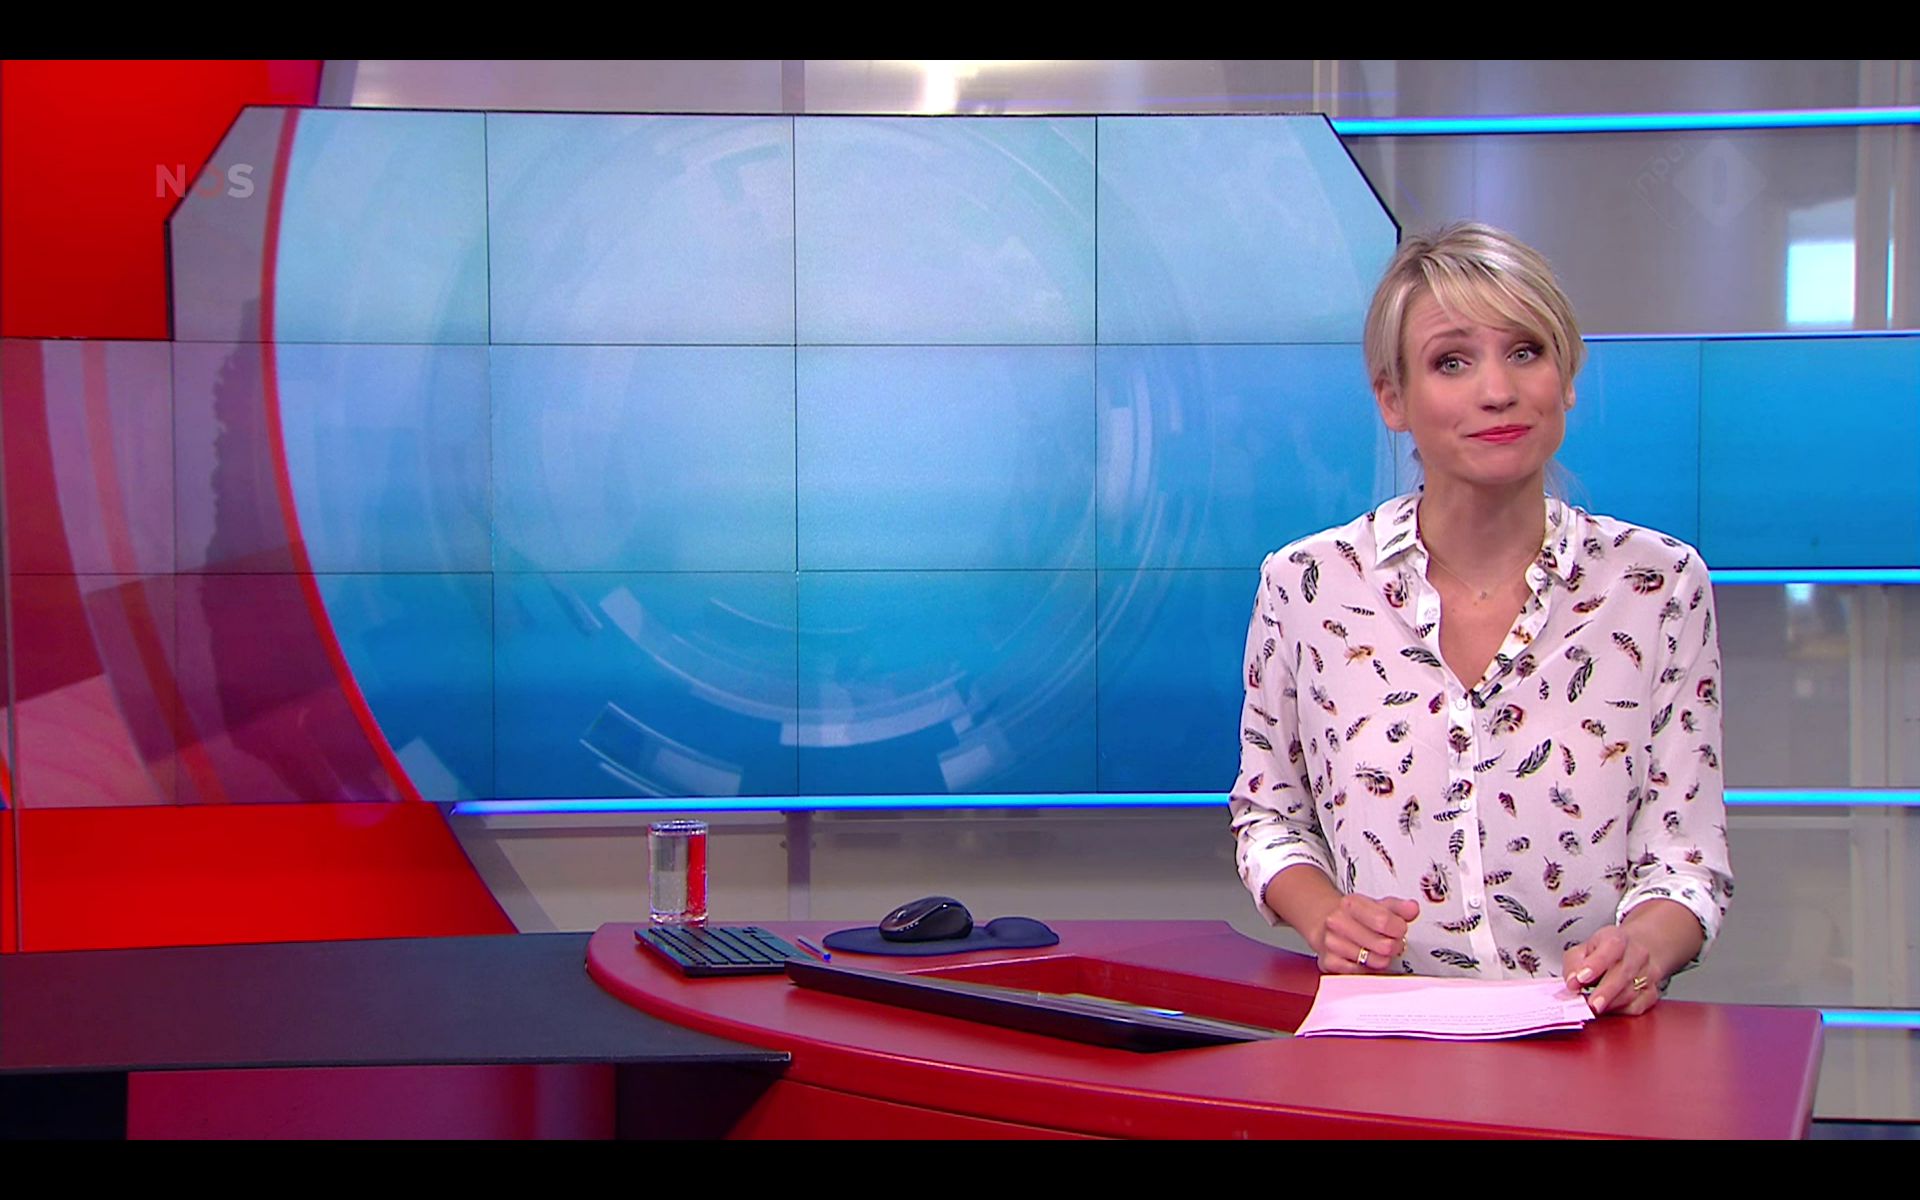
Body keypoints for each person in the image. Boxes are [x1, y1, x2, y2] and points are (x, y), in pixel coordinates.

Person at [1229, 222, 1731, 1017]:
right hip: (1383, 1039)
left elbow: (1686, 859)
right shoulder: (1308, 585)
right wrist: (1327, 917)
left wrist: (1643, 949)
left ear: (1568, 377)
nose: (1497, 390)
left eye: (1526, 351)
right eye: (1452, 361)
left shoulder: (1656, 584)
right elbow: (1270, 817)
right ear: (1393, 399)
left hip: (1589, 1040)